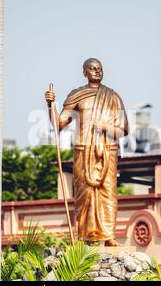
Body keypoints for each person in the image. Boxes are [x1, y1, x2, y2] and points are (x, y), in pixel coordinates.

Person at [45, 58, 129, 246]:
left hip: (108, 150)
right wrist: (50, 106)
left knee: (108, 192)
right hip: (83, 150)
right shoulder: (77, 95)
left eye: (100, 68)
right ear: (85, 72)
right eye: (93, 68)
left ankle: (108, 235)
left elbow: (123, 129)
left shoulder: (113, 97)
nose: (97, 71)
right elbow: (59, 124)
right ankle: (85, 236)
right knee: (85, 194)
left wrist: (105, 127)